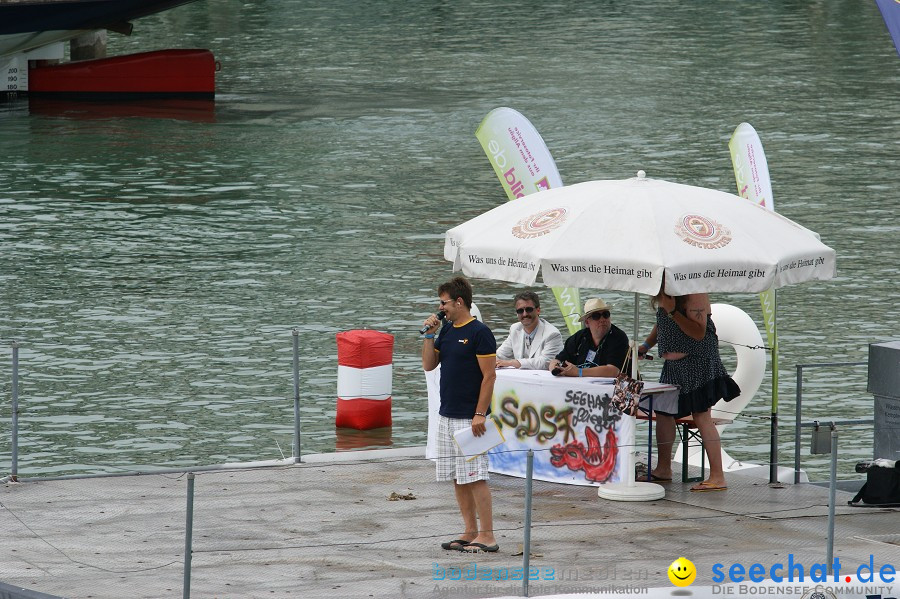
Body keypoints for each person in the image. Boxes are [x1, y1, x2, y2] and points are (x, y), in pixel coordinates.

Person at [421, 276, 499, 553]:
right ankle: (470, 529)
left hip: (470, 416)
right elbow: (430, 365)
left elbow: (489, 376)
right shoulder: (447, 330)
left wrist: (480, 413)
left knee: (476, 476)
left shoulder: (479, 332)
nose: (441, 309)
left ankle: (488, 535)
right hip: (447, 414)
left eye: (444, 303)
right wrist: (430, 334)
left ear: (459, 301)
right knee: (458, 476)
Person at [638, 285, 741, 491]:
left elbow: (699, 332)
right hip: (673, 366)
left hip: (698, 361)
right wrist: (646, 345)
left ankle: (718, 476)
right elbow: (662, 322)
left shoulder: (694, 293)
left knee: (701, 414)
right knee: (664, 412)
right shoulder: (666, 295)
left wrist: (673, 310)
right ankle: (664, 469)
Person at [548, 298, 630, 377]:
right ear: (587, 322)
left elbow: (613, 371)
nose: (602, 319)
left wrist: (578, 372)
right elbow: (556, 360)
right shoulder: (580, 337)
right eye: (596, 316)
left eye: (606, 315)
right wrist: (555, 369)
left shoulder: (618, 337)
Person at [495, 291, 563, 370]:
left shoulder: (552, 334)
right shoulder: (515, 329)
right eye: (520, 311)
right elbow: (500, 355)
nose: (524, 314)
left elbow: (546, 362)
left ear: (538, 310)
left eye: (529, 309)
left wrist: (513, 362)